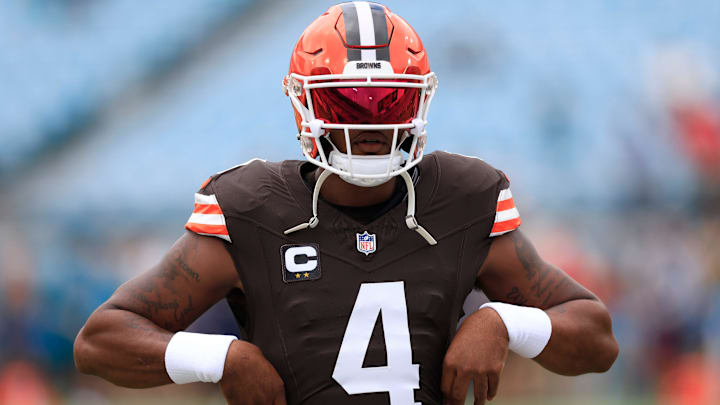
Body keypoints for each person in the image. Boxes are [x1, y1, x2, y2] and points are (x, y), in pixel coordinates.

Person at [73, 2, 618, 405]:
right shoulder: (253, 208)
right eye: (345, 100)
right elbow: (101, 340)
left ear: (420, 100)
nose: (370, 121)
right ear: (304, 103)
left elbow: (596, 338)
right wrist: (218, 357)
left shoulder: (463, 200)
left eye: (391, 101)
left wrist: (504, 322)